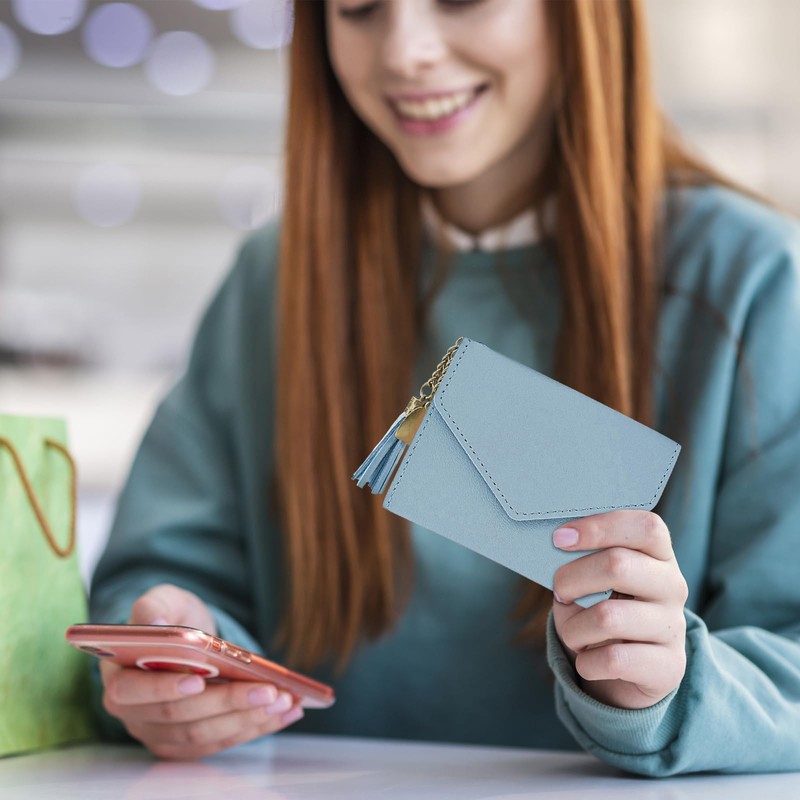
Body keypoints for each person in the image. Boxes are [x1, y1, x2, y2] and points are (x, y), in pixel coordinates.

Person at [89, 0, 800, 777]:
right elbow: (154, 583)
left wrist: (676, 686)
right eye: (357, 6)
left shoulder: (754, 282)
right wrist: (172, 659)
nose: (405, 52)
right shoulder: (273, 282)